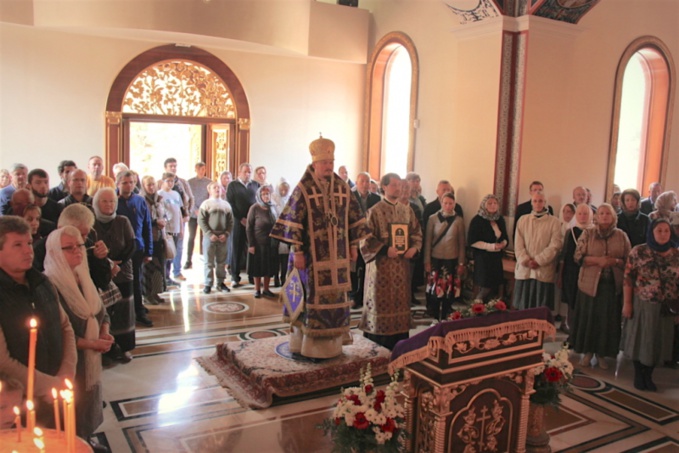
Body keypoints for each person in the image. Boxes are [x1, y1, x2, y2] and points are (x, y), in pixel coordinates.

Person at [270, 136, 371, 359]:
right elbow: (293, 221)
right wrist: (297, 251)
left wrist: (354, 246)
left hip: (339, 258)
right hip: (310, 259)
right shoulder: (303, 189)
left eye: (331, 163)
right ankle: (306, 346)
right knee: (310, 300)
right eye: (325, 163)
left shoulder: (343, 188)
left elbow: (354, 219)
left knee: (336, 300)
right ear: (314, 163)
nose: (328, 167)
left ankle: (333, 347)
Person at [0, 216, 76, 427]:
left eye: (28, 243)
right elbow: (3, 361)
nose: (28, 250)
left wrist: (66, 372)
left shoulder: (42, 282)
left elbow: (65, 327)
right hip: (18, 403)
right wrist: (50, 385)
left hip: (57, 390)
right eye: (17, 245)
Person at [44, 226, 113, 447]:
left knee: (89, 401)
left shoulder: (83, 275)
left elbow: (101, 311)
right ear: (55, 251)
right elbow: (59, 333)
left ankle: (86, 439)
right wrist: (94, 343)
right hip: (71, 362)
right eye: (69, 248)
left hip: (92, 356)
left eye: (80, 246)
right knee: (71, 409)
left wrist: (104, 332)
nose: (77, 251)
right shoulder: (50, 284)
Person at [360, 173, 422, 350]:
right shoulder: (375, 211)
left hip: (401, 269)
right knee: (381, 305)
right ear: (384, 187)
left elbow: (417, 233)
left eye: (399, 185)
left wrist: (414, 248)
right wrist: (385, 249)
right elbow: (365, 239)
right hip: (381, 270)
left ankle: (399, 347)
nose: (398, 188)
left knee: (400, 304)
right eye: (393, 185)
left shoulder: (407, 210)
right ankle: (377, 347)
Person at [570, 203, 631, 369]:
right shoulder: (588, 233)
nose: (604, 216)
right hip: (589, 285)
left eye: (608, 214)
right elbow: (578, 257)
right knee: (590, 321)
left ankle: (602, 354)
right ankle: (588, 352)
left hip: (611, 286)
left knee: (606, 322)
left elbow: (629, 260)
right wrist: (598, 261)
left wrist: (614, 261)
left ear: (613, 217)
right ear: (596, 217)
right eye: (602, 213)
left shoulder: (621, 235)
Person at [622, 218, 679, 391]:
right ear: (652, 232)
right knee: (641, 339)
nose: (663, 234)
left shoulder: (676, 254)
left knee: (659, 340)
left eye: (666, 231)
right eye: (659, 231)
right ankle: (639, 374)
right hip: (643, 304)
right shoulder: (639, 251)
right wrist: (627, 304)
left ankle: (649, 375)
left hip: (666, 306)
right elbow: (628, 279)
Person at [93, 188, 137, 363]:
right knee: (104, 312)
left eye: (112, 201)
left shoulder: (122, 220)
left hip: (123, 272)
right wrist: (107, 265)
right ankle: (105, 349)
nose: (109, 205)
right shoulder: (92, 221)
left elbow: (132, 245)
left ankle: (124, 348)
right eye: (104, 201)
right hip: (101, 274)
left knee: (123, 311)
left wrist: (118, 263)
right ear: (97, 203)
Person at [115, 172, 154, 327]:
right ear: (118, 183)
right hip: (119, 249)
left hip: (137, 247)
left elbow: (147, 226)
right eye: (125, 183)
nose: (128, 185)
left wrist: (149, 251)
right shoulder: (113, 200)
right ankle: (123, 311)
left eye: (131, 182)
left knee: (137, 281)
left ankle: (139, 311)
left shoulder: (139, 200)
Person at [513, 191, 563, 310]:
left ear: (545, 203)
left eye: (541, 201)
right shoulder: (522, 220)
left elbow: (555, 245)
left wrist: (538, 260)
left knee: (539, 308)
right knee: (522, 307)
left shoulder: (554, 222)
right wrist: (525, 260)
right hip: (525, 269)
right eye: (535, 201)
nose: (538, 203)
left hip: (543, 270)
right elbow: (518, 244)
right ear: (531, 202)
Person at [423, 192, 465, 319]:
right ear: (441, 203)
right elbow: (428, 242)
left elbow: (461, 243)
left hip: (451, 260)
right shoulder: (433, 219)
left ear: (454, 204)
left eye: (450, 203)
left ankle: (446, 312)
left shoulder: (458, 221)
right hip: (436, 259)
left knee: (449, 291)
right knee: (435, 290)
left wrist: (461, 263)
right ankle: (435, 315)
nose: (448, 206)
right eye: (445, 203)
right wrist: (427, 261)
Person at [559, 203, 593, 334]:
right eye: (580, 213)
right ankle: (572, 333)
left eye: (585, 213)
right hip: (571, 274)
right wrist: (561, 276)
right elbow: (565, 255)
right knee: (571, 303)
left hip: (588, 273)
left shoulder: (594, 231)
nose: (583, 216)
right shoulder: (570, 231)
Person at [468, 194, 508, 301]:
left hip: (496, 258)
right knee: (485, 285)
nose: (493, 205)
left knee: (495, 286)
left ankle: (492, 309)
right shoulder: (477, 220)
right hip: (483, 258)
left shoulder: (500, 219)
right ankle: (478, 305)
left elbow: (504, 236)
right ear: (484, 205)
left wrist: (503, 243)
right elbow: (472, 241)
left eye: (495, 203)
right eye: (490, 203)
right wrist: (492, 246)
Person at [350, 172, 382, 308]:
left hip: (370, 239)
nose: (364, 184)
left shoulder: (376, 198)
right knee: (353, 269)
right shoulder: (350, 197)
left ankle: (366, 296)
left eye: (367, 181)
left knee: (367, 268)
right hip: (354, 239)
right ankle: (354, 296)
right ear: (356, 183)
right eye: (362, 181)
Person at [198, 181, 233, 294]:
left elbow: (230, 222)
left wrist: (226, 234)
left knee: (221, 262)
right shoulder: (206, 204)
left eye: (219, 187)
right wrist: (209, 234)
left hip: (223, 237)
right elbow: (201, 221)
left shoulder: (226, 205)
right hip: (210, 237)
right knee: (208, 261)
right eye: (215, 188)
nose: (217, 189)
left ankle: (220, 283)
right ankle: (208, 283)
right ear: (210, 190)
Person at [227, 163, 258, 287]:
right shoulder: (232, 185)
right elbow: (230, 204)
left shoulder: (255, 185)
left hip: (252, 222)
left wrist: (251, 219)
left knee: (252, 248)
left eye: (249, 172)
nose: (247, 174)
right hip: (238, 222)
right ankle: (235, 276)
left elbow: (258, 202)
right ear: (239, 172)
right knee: (237, 249)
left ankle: (252, 275)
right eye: (245, 172)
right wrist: (241, 218)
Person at [163, 158, 194, 281]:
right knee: (167, 247)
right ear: (165, 167)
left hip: (180, 219)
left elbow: (190, 198)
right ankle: (166, 275)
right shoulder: (160, 182)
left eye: (175, 166)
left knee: (179, 246)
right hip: (166, 222)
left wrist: (188, 214)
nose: (173, 168)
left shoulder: (182, 182)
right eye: (171, 166)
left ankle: (177, 271)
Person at [140, 175, 167, 304]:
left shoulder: (160, 199)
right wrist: (156, 222)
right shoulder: (141, 200)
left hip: (160, 237)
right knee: (148, 268)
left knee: (159, 267)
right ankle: (147, 294)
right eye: (148, 185)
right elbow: (141, 220)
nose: (151, 187)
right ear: (144, 186)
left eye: (153, 184)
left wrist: (164, 221)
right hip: (147, 238)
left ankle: (155, 292)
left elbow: (166, 214)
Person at [247, 185, 278, 298]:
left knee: (268, 268)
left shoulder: (273, 207)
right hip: (258, 243)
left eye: (268, 194)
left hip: (271, 243)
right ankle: (257, 290)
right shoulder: (254, 208)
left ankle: (266, 289)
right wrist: (251, 244)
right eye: (264, 194)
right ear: (259, 195)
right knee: (258, 267)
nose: (266, 196)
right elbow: (249, 227)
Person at [158, 172, 185, 286]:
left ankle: (169, 276)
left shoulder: (176, 194)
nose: (170, 183)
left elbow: (179, 211)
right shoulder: (160, 194)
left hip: (176, 228)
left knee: (172, 253)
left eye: (172, 181)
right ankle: (164, 278)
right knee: (166, 254)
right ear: (163, 181)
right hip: (166, 229)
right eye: (168, 181)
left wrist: (181, 228)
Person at [185, 162, 212, 270]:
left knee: (207, 236)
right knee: (191, 237)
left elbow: (210, 197)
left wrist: (204, 210)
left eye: (204, 168)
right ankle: (188, 260)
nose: (202, 170)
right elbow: (188, 198)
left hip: (205, 214)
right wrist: (195, 209)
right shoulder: (190, 182)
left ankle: (207, 259)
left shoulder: (209, 182)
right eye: (200, 168)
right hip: (193, 213)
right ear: (196, 169)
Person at [272, 179, 291, 287]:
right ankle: (275, 278)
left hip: (287, 232)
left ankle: (283, 278)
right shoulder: (274, 199)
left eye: (286, 190)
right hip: (277, 231)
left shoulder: (290, 199)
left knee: (285, 258)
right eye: (282, 190)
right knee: (276, 258)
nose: (284, 192)